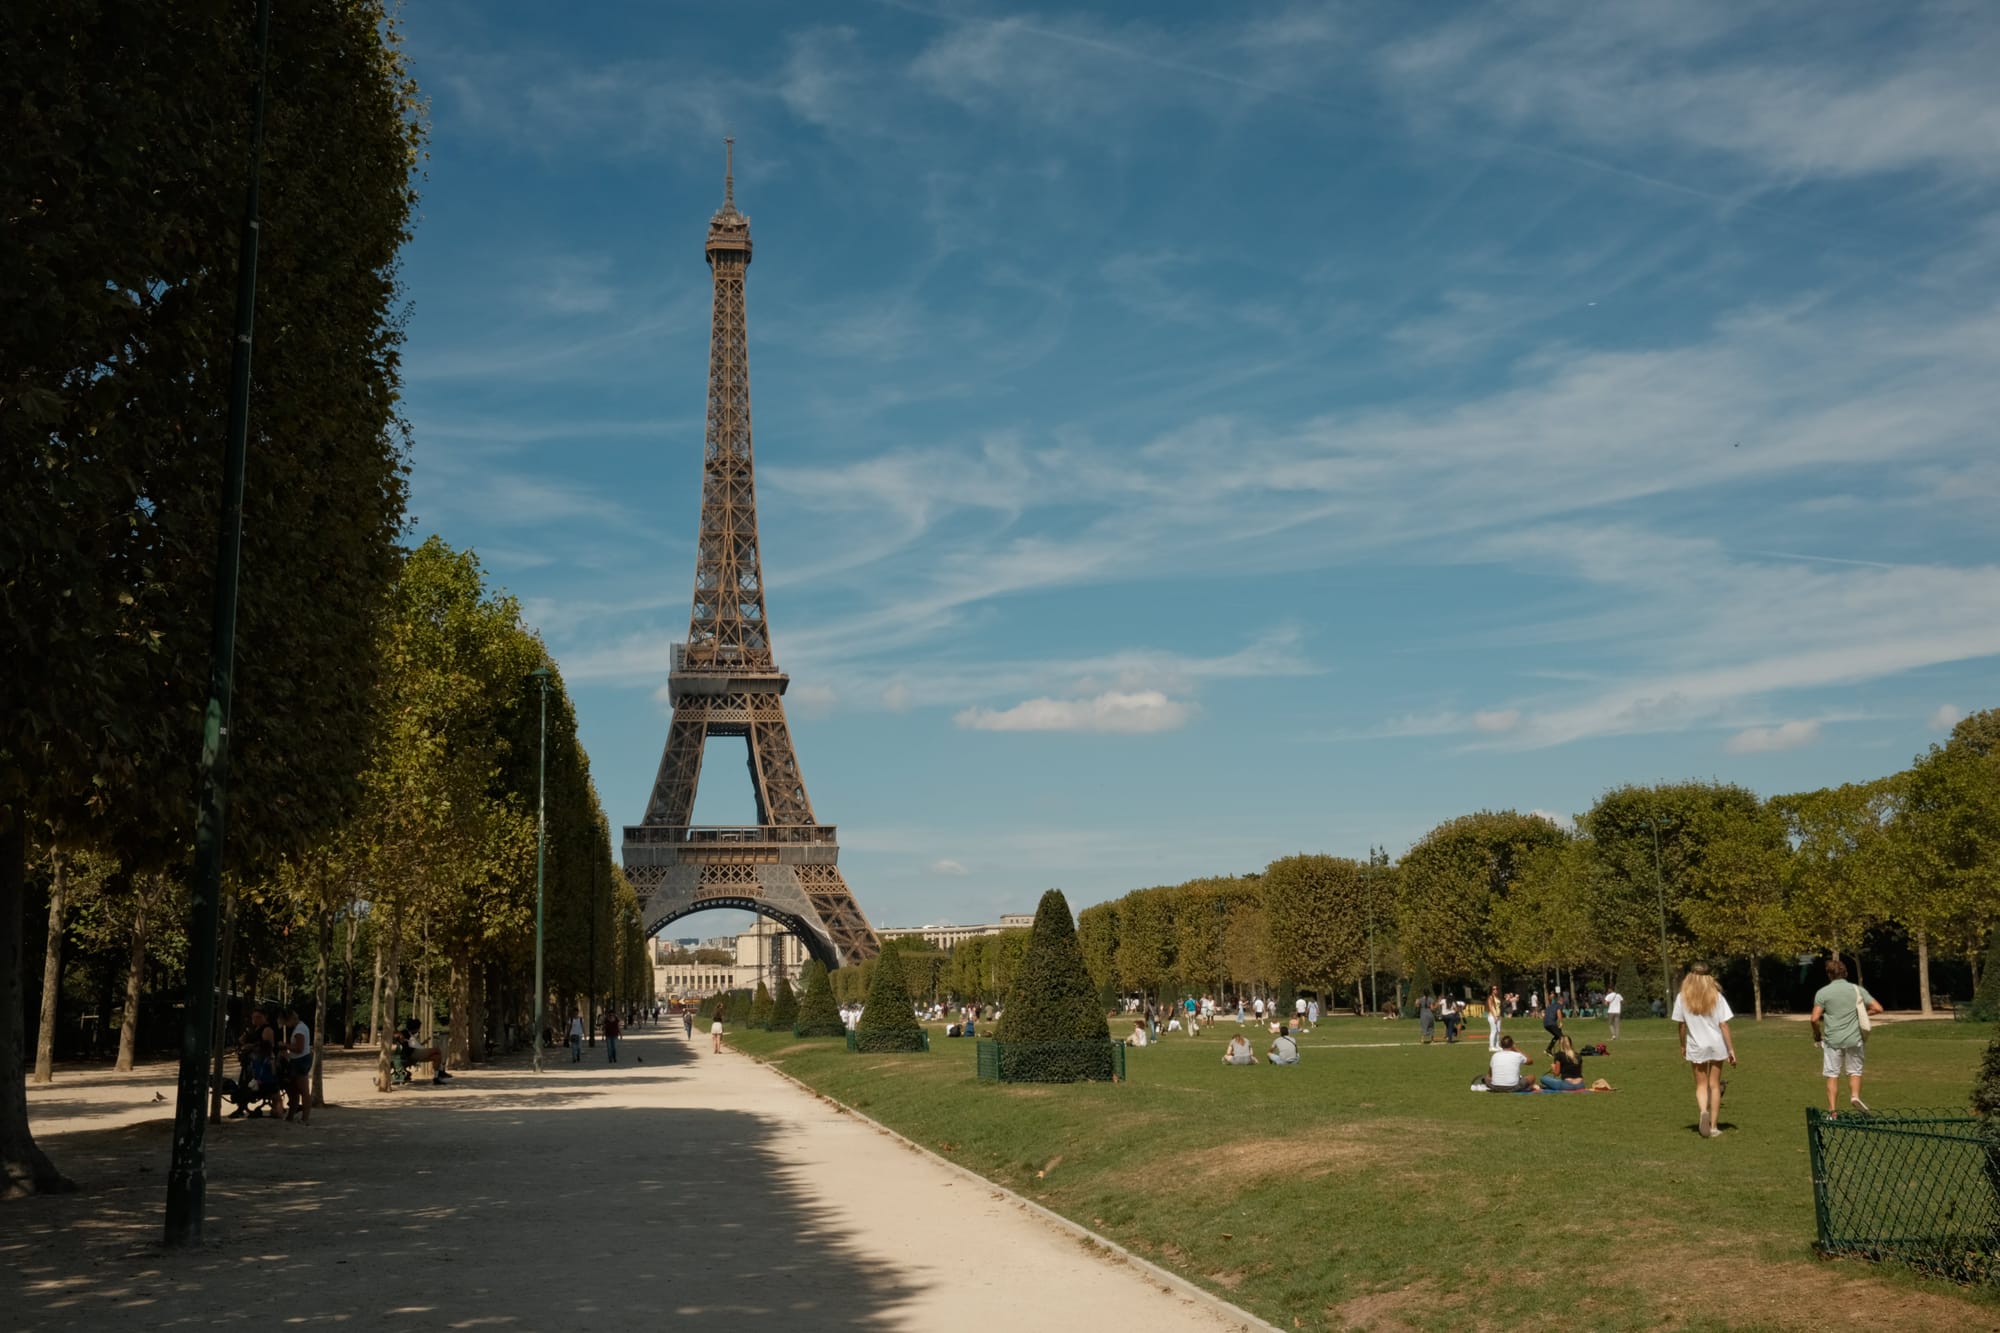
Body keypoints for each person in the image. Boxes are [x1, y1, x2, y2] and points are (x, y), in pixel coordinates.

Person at [1811, 958, 1884, 1115]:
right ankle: (1855, 1096)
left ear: (1828, 974)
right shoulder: (1857, 990)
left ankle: (1833, 1111)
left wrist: (1817, 1036)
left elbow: (1814, 1019)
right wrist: (1861, 1015)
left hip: (1833, 1040)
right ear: (1846, 973)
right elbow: (1878, 1008)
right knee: (1855, 1071)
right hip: (1854, 1038)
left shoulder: (1823, 993)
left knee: (1832, 1074)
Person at [1672, 962, 1736, 1138]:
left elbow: (1681, 1025)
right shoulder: (1717, 996)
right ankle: (1714, 1126)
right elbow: (1724, 1024)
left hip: (1696, 1045)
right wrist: (1731, 1049)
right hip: (1717, 1044)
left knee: (1701, 1084)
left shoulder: (1682, 997)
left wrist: (1682, 1045)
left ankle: (1703, 1112)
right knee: (1714, 1085)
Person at [280, 1006, 313, 1124]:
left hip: (300, 1061)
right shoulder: (301, 1027)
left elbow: (299, 1048)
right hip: (300, 1060)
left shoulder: (299, 1030)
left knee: (303, 1090)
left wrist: (285, 1045)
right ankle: (292, 1116)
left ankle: (305, 1118)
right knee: (295, 1090)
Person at [397, 1018, 452, 1084]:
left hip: (418, 1052)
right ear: (415, 1027)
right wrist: (400, 1038)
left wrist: (424, 1042)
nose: (418, 1030)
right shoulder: (405, 1032)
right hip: (414, 1053)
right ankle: (441, 1071)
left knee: (437, 1057)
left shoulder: (411, 1034)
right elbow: (396, 1035)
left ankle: (436, 1077)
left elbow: (415, 1045)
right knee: (436, 1050)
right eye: (418, 1028)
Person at [1543, 990, 1566, 1055]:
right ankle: (1563, 1052)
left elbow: (1546, 1012)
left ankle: (1548, 1049)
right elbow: (1558, 1012)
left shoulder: (1552, 1005)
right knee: (1562, 1037)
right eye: (1563, 1002)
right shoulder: (1559, 1005)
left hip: (1545, 1024)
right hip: (1551, 1023)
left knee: (1557, 1036)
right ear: (1561, 1001)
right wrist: (1561, 1022)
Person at [1486, 986, 1504, 1052]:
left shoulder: (1497, 997)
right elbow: (1490, 1007)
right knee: (1493, 1031)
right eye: (1494, 989)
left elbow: (1498, 1007)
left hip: (1498, 1016)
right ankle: (1491, 1046)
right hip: (1493, 1016)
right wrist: (1494, 1016)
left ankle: (1497, 1045)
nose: (1495, 990)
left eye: (1496, 989)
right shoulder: (1491, 997)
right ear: (1491, 990)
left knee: (1498, 1031)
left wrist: (1499, 1016)